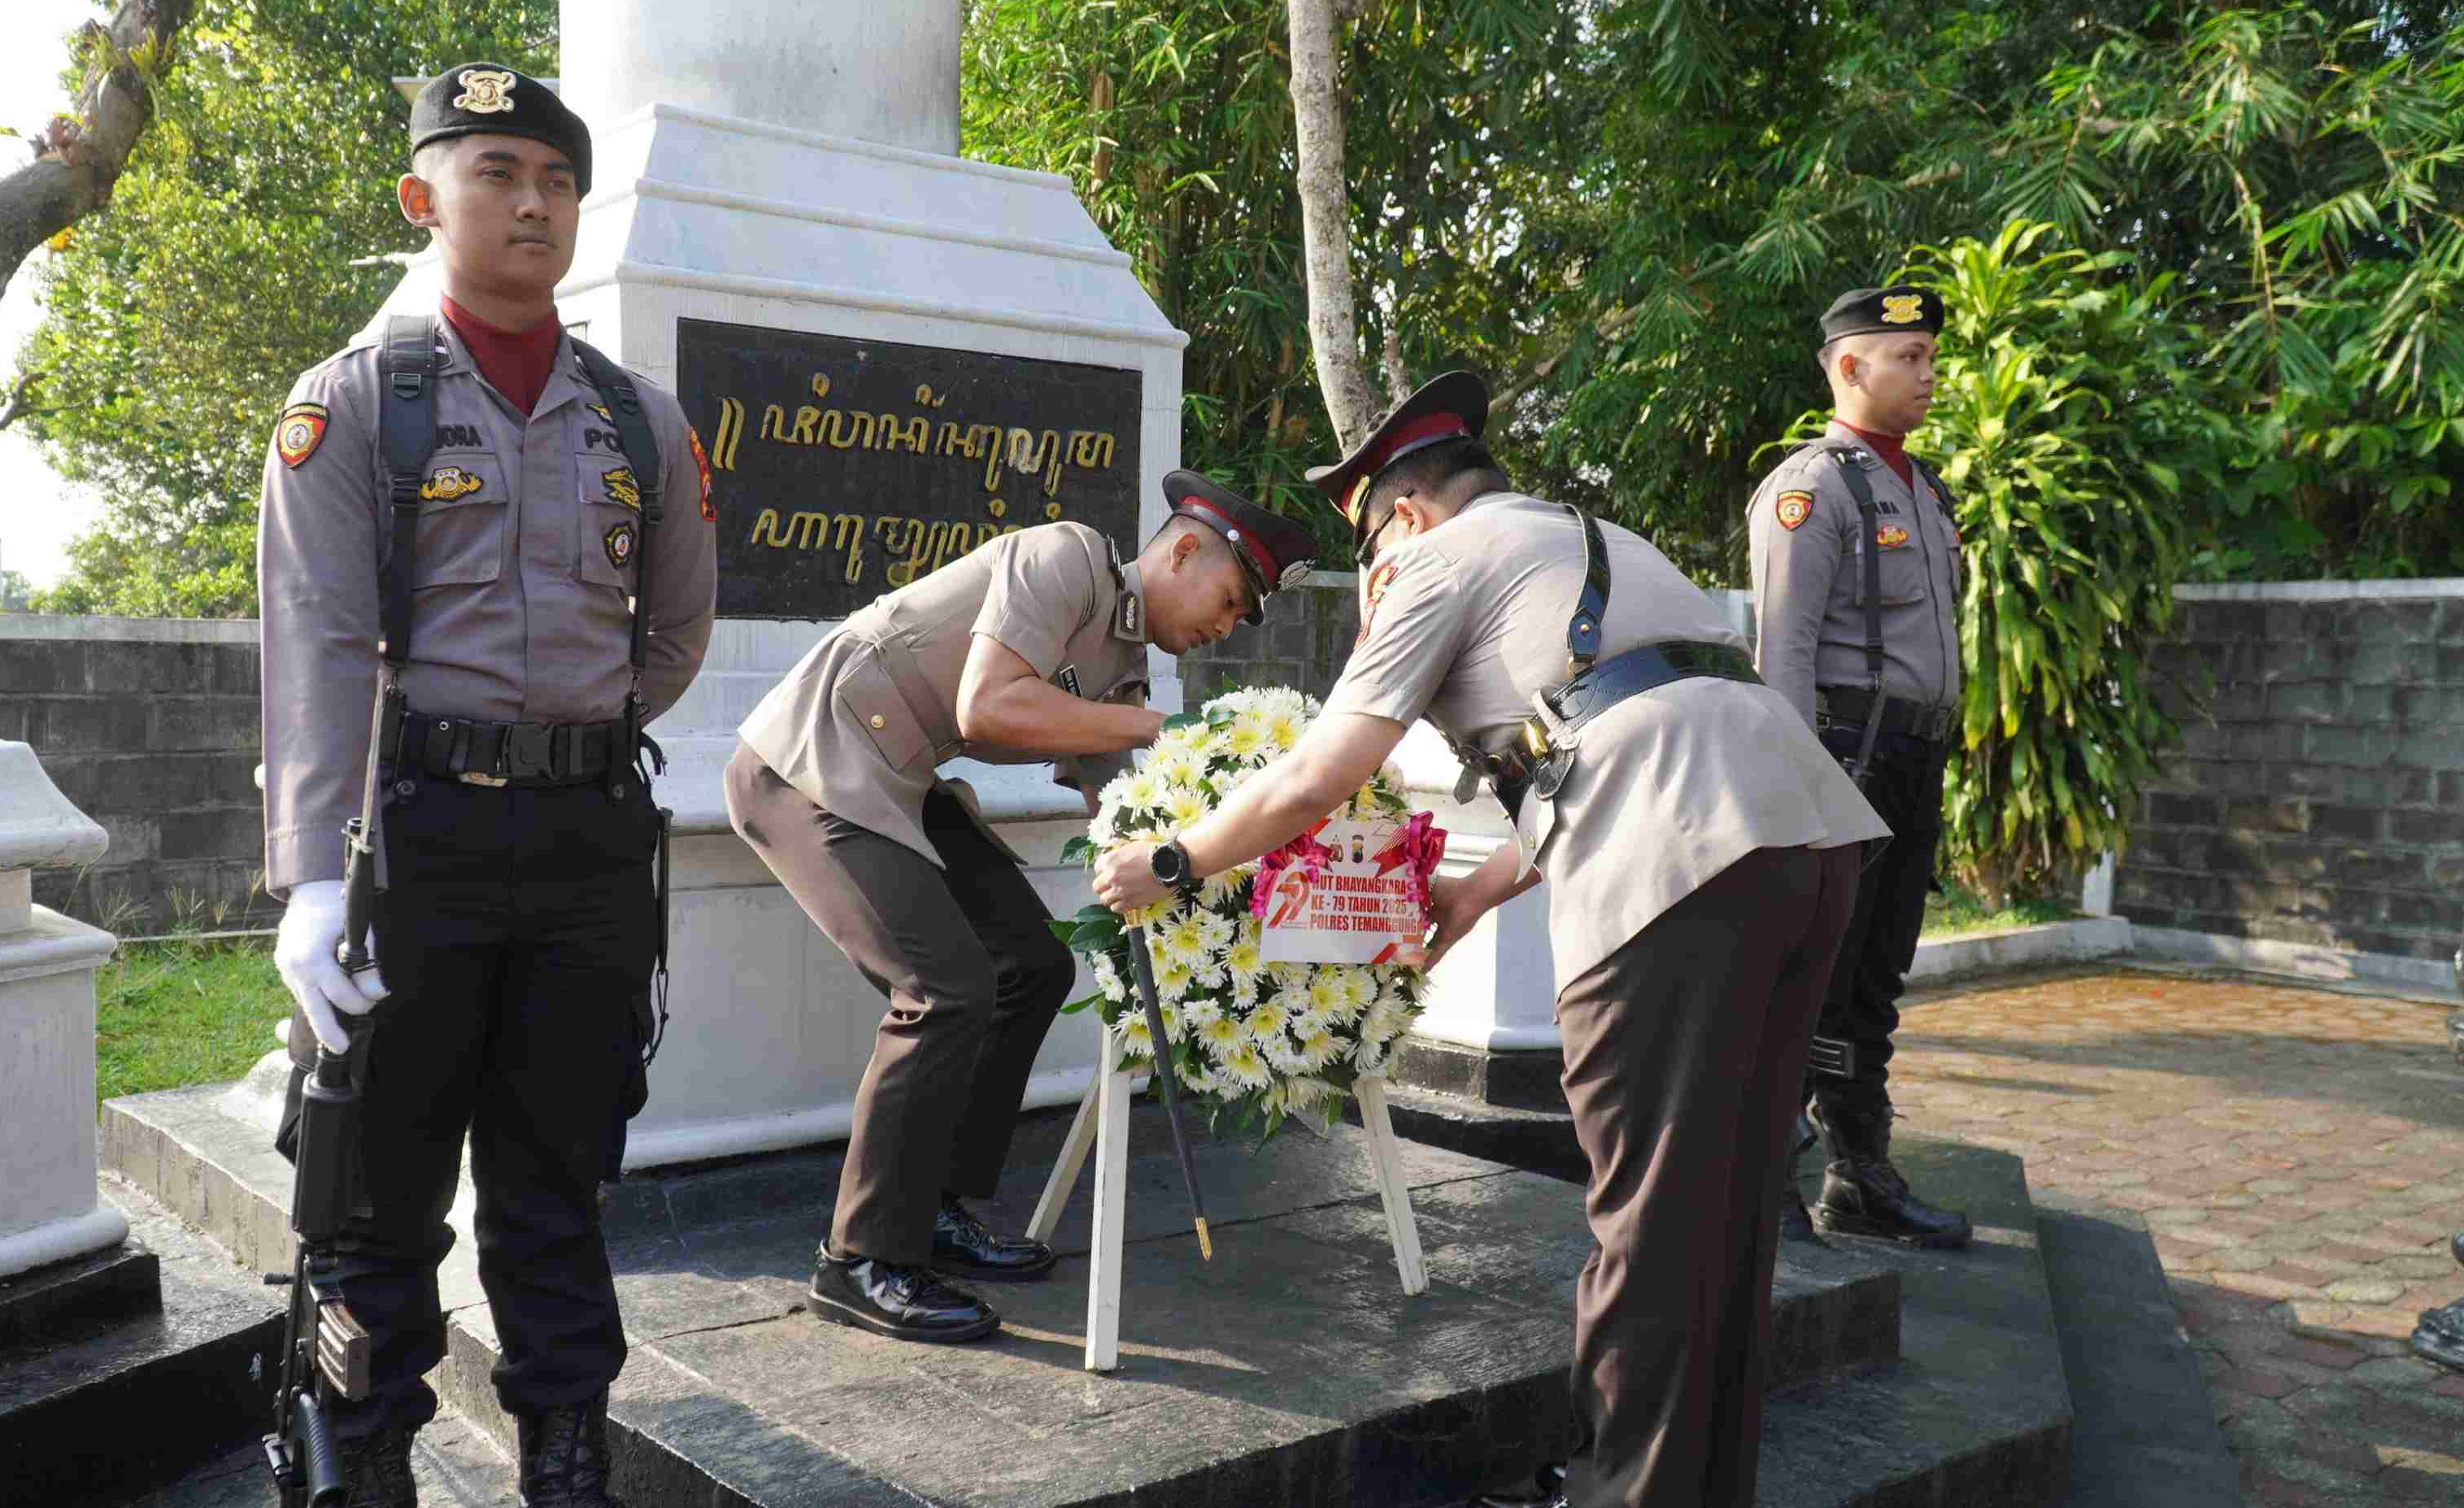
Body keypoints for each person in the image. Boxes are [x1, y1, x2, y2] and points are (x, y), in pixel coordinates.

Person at [1093, 373, 1885, 1508]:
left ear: (1403, 515)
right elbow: (1612, 715)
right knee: (1725, 1209)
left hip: (1681, 867)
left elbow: (1322, 769)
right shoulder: (1589, 536)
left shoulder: (1434, 559)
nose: (1375, 570)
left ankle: (1624, 1494)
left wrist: (1174, 859)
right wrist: (1472, 893)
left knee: (1649, 1222)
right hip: (1802, 843)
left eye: (1370, 541)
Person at [259, 63, 716, 1508]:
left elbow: (677, 633)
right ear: (423, 197)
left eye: (558, 179)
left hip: (585, 845)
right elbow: (317, 642)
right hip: (414, 842)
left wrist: (565, 731)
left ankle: (565, 1459)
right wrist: (314, 874)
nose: (534, 202)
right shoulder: (356, 406)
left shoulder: (643, 422)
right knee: (377, 1188)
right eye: (499, 171)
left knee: (557, 1183)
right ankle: (361, 1459)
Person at [728, 472, 1317, 1345]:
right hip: (809, 757)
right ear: (1183, 549)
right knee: (944, 986)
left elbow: (1119, 811)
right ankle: (857, 1259)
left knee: (1030, 966)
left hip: (897, 777)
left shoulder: (1122, 670)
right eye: (1230, 600)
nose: (1224, 627)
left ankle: (928, 1209)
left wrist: (1193, 893)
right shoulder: (1066, 556)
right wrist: (1158, 729)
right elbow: (989, 703)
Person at [1745, 285, 1974, 1250]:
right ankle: (1764, 1185)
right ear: (1849, 367)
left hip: (1912, 761)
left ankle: (1859, 1173)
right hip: (1842, 757)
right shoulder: (1813, 488)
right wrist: (1796, 790)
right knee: (1810, 976)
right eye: (1909, 357)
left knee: (1875, 976)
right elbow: (1783, 651)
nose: (1929, 375)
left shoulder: (1923, 488)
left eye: (1929, 356)